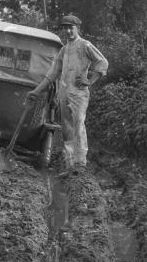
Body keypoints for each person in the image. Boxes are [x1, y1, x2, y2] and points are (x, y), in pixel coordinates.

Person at [26, 14, 108, 175]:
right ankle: (70, 166)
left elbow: (102, 62)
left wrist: (90, 80)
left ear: (78, 28)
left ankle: (80, 164)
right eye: (66, 28)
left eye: (71, 27)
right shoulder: (64, 50)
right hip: (64, 93)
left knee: (78, 124)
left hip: (79, 94)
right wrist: (36, 91)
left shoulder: (85, 45)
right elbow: (52, 74)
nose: (68, 31)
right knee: (66, 129)